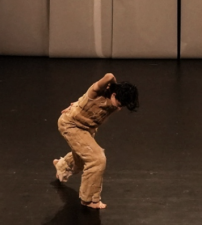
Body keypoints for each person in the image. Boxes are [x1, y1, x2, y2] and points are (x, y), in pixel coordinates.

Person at [53, 72, 139, 209]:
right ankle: (89, 199)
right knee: (96, 159)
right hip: (72, 126)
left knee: (82, 159)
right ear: (114, 94)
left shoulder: (115, 104)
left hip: (87, 129)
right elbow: (109, 76)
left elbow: (84, 102)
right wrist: (114, 85)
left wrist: (79, 103)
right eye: (120, 103)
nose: (120, 108)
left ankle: (62, 166)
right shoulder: (97, 92)